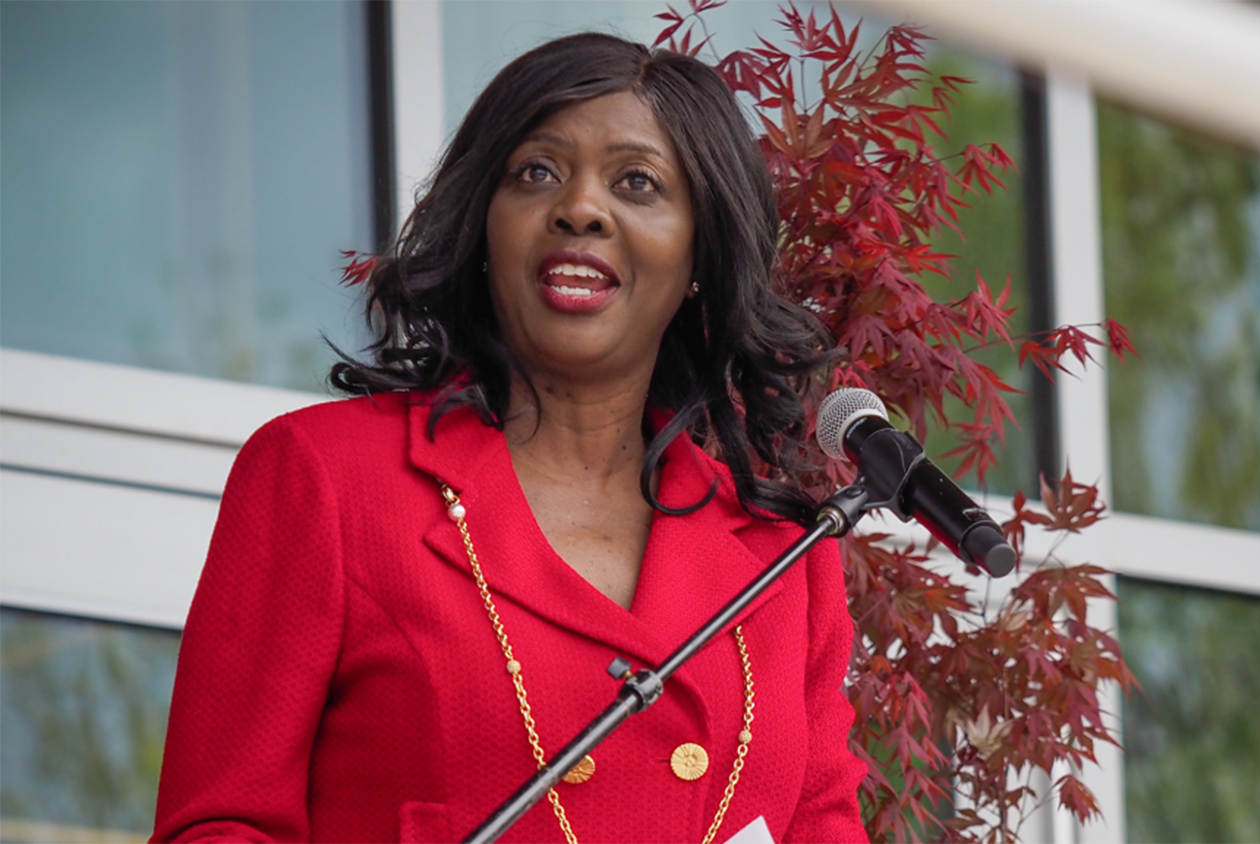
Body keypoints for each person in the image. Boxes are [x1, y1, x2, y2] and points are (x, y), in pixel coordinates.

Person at [149, 32, 869, 844]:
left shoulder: (784, 559)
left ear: (701, 252)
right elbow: (220, 826)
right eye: (537, 171)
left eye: (638, 182)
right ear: (484, 224)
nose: (580, 208)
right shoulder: (328, 479)